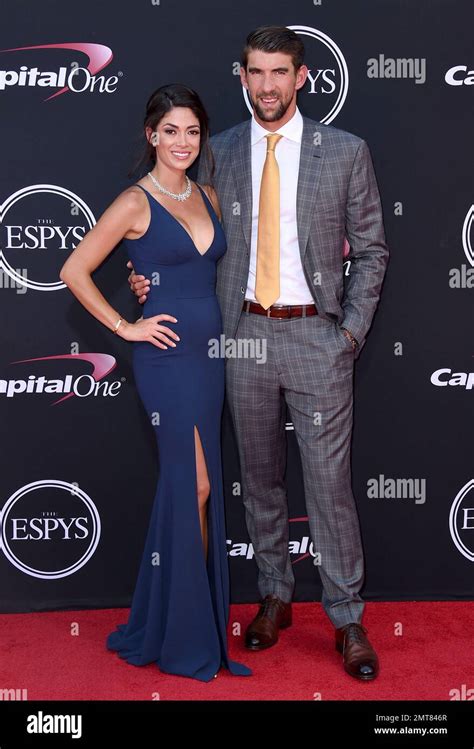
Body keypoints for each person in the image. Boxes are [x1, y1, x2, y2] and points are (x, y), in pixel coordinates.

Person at [129, 26, 389, 681]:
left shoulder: (346, 152)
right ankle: (275, 595)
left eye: (280, 73)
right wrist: (148, 278)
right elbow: (181, 228)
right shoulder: (215, 152)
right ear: (242, 77)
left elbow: (373, 249)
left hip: (316, 339)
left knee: (330, 487)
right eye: (256, 73)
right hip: (238, 338)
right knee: (261, 481)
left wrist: (349, 333)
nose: (268, 85)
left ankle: (346, 616)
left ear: (301, 77)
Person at [59, 83, 251, 682]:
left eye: (193, 131)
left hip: (210, 357)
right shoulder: (134, 202)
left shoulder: (210, 194)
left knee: (196, 488)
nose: (183, 142)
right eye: (171, 131)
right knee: (193, 486)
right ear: (151, 135)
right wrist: (127, 324)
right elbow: (73, 269)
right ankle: (184, 634)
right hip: (165, 362)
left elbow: (211, 272)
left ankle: (173, 620)